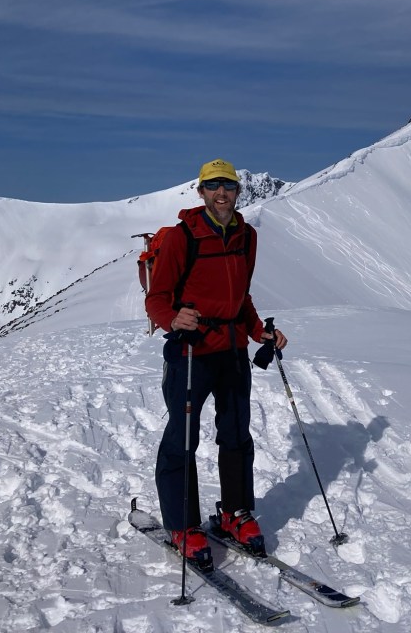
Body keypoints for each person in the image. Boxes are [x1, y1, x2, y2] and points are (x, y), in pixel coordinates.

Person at [145, 158, 287, 567]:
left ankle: (234, 514)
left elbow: (241, 297)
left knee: (237, 435)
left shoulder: (247, 236)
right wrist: (171, 318)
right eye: (213, 186)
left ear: (238, 191)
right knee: (182, 439)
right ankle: (182, 524)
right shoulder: (180, 237)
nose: (221, 193)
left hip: (231, 351)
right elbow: (157, 297)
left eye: (228, 185)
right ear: (201, 192)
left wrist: (258, 329)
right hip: (191, 351)